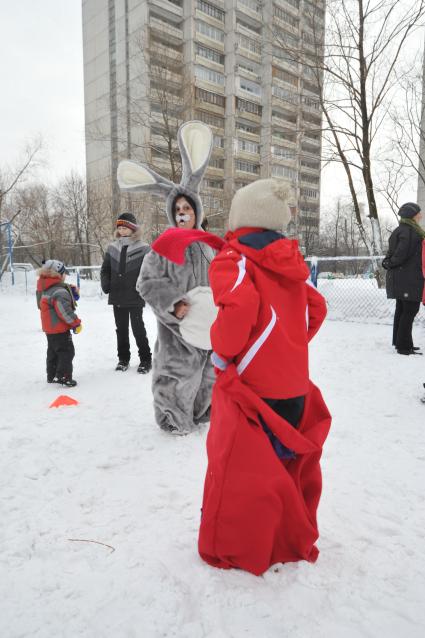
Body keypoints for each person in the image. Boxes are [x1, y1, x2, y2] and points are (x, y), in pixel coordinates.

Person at [198, 178, 331, 576]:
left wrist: (223, 351)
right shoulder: (292, 260)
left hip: (253, 388)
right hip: (293, 388)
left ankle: (244, 545)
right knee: (281, 466)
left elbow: (236, 311)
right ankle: (282, 536)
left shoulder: (234, 258)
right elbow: (316, 309)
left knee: (243, 471)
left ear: (241, 218)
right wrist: (288, 346)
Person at [117, 120, 215, 434]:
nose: (183, 212)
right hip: (179, 327)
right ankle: (172, 419)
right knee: (176, 374)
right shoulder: (164, 245)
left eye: (188, 206)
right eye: (178, 209)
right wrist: (175, 303)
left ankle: (203, 412)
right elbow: (146, 282)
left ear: (197, 210)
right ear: (172, 214)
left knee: (208, 375)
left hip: (211, 326)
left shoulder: (210, 244)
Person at [100, 212, 152, 373]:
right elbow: (105, 269)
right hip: (117, 295)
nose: (122, 231)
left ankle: (145, 359)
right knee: (120, 329)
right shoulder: (112, 247)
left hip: (134, 295)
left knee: (138, 328)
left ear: (133, 229)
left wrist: (143, 286)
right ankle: (123, 359)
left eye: (125, 228)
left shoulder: (144, 248)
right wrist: (106, 284)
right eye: (119, 228)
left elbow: (149, 271)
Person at [383, 202, 425, 355]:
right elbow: (400, 254)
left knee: (402, 310)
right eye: (418, 213)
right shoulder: (410, 232)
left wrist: (388, 262)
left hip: (404, 278)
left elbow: (393, 253)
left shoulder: (403, 230)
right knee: (409, 310)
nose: (420, 215)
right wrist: (390, 263)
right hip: (408, 278)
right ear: (411, 215)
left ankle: (402, 342)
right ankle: (403, 347)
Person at [36, 259, 82, 387]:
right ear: (58, 275)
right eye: (64, 274)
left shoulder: (44, 288)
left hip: (50, 329)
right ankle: (63, 376)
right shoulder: (59, 291)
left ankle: (52, 375)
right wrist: (76, 323)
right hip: (59, 329)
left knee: (53, 352)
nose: (65, 276)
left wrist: (71, 292)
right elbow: (64, 311)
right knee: (66, 352)